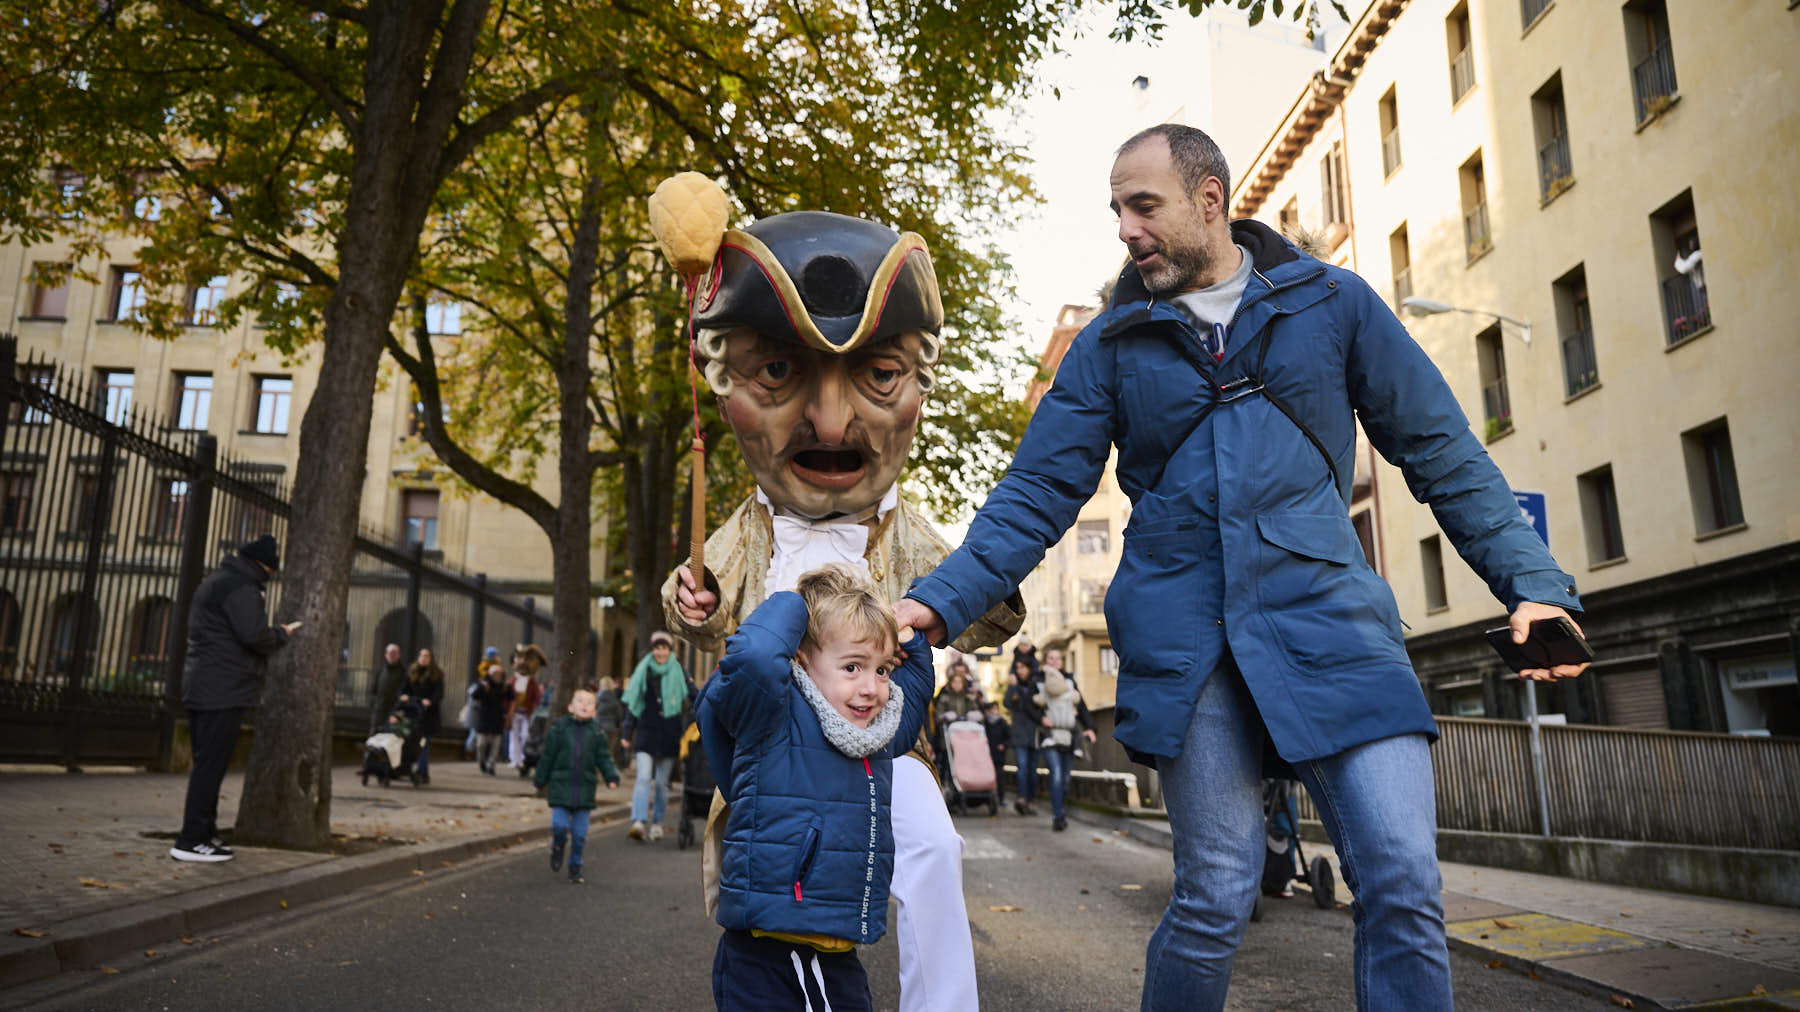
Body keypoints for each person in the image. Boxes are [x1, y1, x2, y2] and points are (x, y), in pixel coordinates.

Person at [894, 123, 1591, 1012]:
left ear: (1209, 200)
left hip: (1333, 625)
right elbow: (1036, 491)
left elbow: (1442, 451)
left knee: (1404, 882)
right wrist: (939, 603)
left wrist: (1532, 585)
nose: (1124, 228)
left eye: (1143, 206)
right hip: (1191, 645)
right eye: (1115, 209)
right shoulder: (1109, 345)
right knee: (1216, 892)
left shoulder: (1332, 305)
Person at [656, 196, 1020, 1012]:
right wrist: (693, 599)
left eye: (878, 374)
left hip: (880, 749)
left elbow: (989, 608)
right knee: (785, 909)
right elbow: (702, 606)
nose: (829, 417)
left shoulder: (904, 532)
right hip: (778, 756)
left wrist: (977, 590)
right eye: (778, 372)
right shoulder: (747, 534)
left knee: (930, 846)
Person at [697, 564, 933, 1012]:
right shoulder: (772, 714)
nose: (872, 689)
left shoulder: (875, 736)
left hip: (840, 957)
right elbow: (753, 656)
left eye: (882, 670)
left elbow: (915, 694)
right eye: (852, 667)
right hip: (762, 955)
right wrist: (796, 600)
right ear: (804, 659)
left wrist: (912, 641)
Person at [171, 534, 299, 863]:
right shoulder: (241, 587)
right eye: (270, 571)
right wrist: (281, 635)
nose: (269, 577)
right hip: (222, 689)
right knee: (210, 767)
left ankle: (205, 833)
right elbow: (254, 635)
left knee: (208, 765)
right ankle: (191, 839)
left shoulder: (219, 581)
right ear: (263, 565)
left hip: (205, 685)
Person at [535, 688, 622, 884]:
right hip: (560, 787)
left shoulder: (597, 733)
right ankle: (558, 847)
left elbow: (604, 758)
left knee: (580, 834)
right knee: (559, 826)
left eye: (589, 703)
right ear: (570, 707)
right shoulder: (559, 730)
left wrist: (611, 777)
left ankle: (575, 866)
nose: (584, 705)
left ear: (594, 711)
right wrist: (540, 779)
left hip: (585, 791)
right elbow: (547, 757)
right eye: (580, 701)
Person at [620, 630, 688, 841]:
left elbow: (690, 699)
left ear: (670, 650)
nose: (660, 652)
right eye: (657, 648)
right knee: (642, 778)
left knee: (661, 784)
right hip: (646, 733)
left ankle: (657, 822)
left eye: (664, 648)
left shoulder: (679, 671)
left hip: (669, 734)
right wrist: (626, 732)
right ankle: (638, 822)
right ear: (653, 649)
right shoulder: (643, 671)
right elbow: (634, 704)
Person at [1033, 648, 1096, 831]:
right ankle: (1058, 815)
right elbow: (1028, 704)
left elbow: (1081, 706)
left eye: (1057, 658)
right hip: (1049, 735)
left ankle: (1060, 809)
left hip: (1069, 735)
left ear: (1061, 662)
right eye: (1050, 658)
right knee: (1057, 775)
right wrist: (1040, 718)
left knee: (1065, 779)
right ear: (1045, 661)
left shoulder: (1070, 681)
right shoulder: (1038, 680)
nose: (1053, 661)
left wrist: (1090, 728)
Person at [1001, 659, 1044, 816]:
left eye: (1023, 667)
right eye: (1018, 667)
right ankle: (1022, 799)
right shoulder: (1014, 686)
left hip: (1034, 733)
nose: (1020, 670)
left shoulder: (1036, 684)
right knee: (1023, 767)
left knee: (1033, 770)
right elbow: (1006, 703)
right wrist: (1012, 687)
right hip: (1019, 733)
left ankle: (1031, 800)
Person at [396, 647, 444, 784]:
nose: (424, 658)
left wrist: (430, 701)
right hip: (412, 712)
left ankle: (422, 772)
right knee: (408, 742)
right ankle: (405, 768)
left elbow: (439, 694)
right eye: (422, 656)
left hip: (428, 716)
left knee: (424, 744)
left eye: (427, 656)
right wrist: (403, 696)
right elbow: (403, 689)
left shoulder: (436, 675)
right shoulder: (411, 672)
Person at [506, 644, 547, 772]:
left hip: (527, 712)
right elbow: (507, 695)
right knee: (514, 736)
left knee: (525, 735)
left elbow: (537, 697)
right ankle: (515, 759)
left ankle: (524, 757)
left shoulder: (532, 682)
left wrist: (537, 704)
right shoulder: (512, 680)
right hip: (514, 712)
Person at [470, 661, 514, 775]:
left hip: (498, 718)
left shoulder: (504, 687)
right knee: (481, 744)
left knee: (496, 745)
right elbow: (474, 695)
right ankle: (482, 761)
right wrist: (482, 689)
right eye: (495, 674)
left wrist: (510, 713)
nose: (497, 676)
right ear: (490, 674)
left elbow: (512, 698)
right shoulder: (484, 684)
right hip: (484, 718)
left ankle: (491, 765)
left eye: (499, 674)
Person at [463, 645, 501, 757]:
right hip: (479, 709)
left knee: (481, 734)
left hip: (488, 711)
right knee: (475, 732)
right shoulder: (484, 668)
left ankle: (474, 751)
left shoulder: (496, 668)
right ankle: (469, 749)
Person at [369, 643, 406, 733]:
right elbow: (373, 691)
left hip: (395, 716)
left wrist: (397, 714)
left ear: (398, 655)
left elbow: (405, 694)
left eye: (394, 653)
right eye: (390, 653)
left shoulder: (404, 673)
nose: (392, 655)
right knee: (373, 742)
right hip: (378, 714)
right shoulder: (380, 670)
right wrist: (376, 705)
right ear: (386, 654)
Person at [595, 675, 628, 773]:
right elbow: (619, 715)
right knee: (608, 753)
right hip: (611, 729)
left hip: (597, 727)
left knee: (596, 751)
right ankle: (606, 773)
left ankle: (596, 773)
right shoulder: (615, 700)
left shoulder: (597, 699)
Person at [980, 700, 1010, 807]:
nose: (995, 712)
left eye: (996, 709)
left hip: (999, 757)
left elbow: (1009, 738)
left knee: (1000, 777)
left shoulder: (1002, 723)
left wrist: (1003, 745)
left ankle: (1001, 798)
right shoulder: (985, 724)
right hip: (987, 756)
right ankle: (987, 799)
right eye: (992, 710)